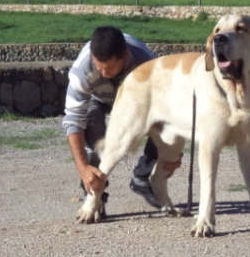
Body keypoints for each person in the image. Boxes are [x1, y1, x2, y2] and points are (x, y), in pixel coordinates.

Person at [63, 26, 178, 211]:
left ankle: (143, 177)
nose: (104, 73)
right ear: (92, 56)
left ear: (124, 56)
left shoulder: (147, 65)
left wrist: (173, 153)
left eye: (109, 68)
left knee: (164, 126)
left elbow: (169, 111)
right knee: (94, 127)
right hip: (97, 97)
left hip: (133, 100)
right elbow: (73, 120)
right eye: (99, 67)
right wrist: (82, 167)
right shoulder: (82, 70)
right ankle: (93, 191)